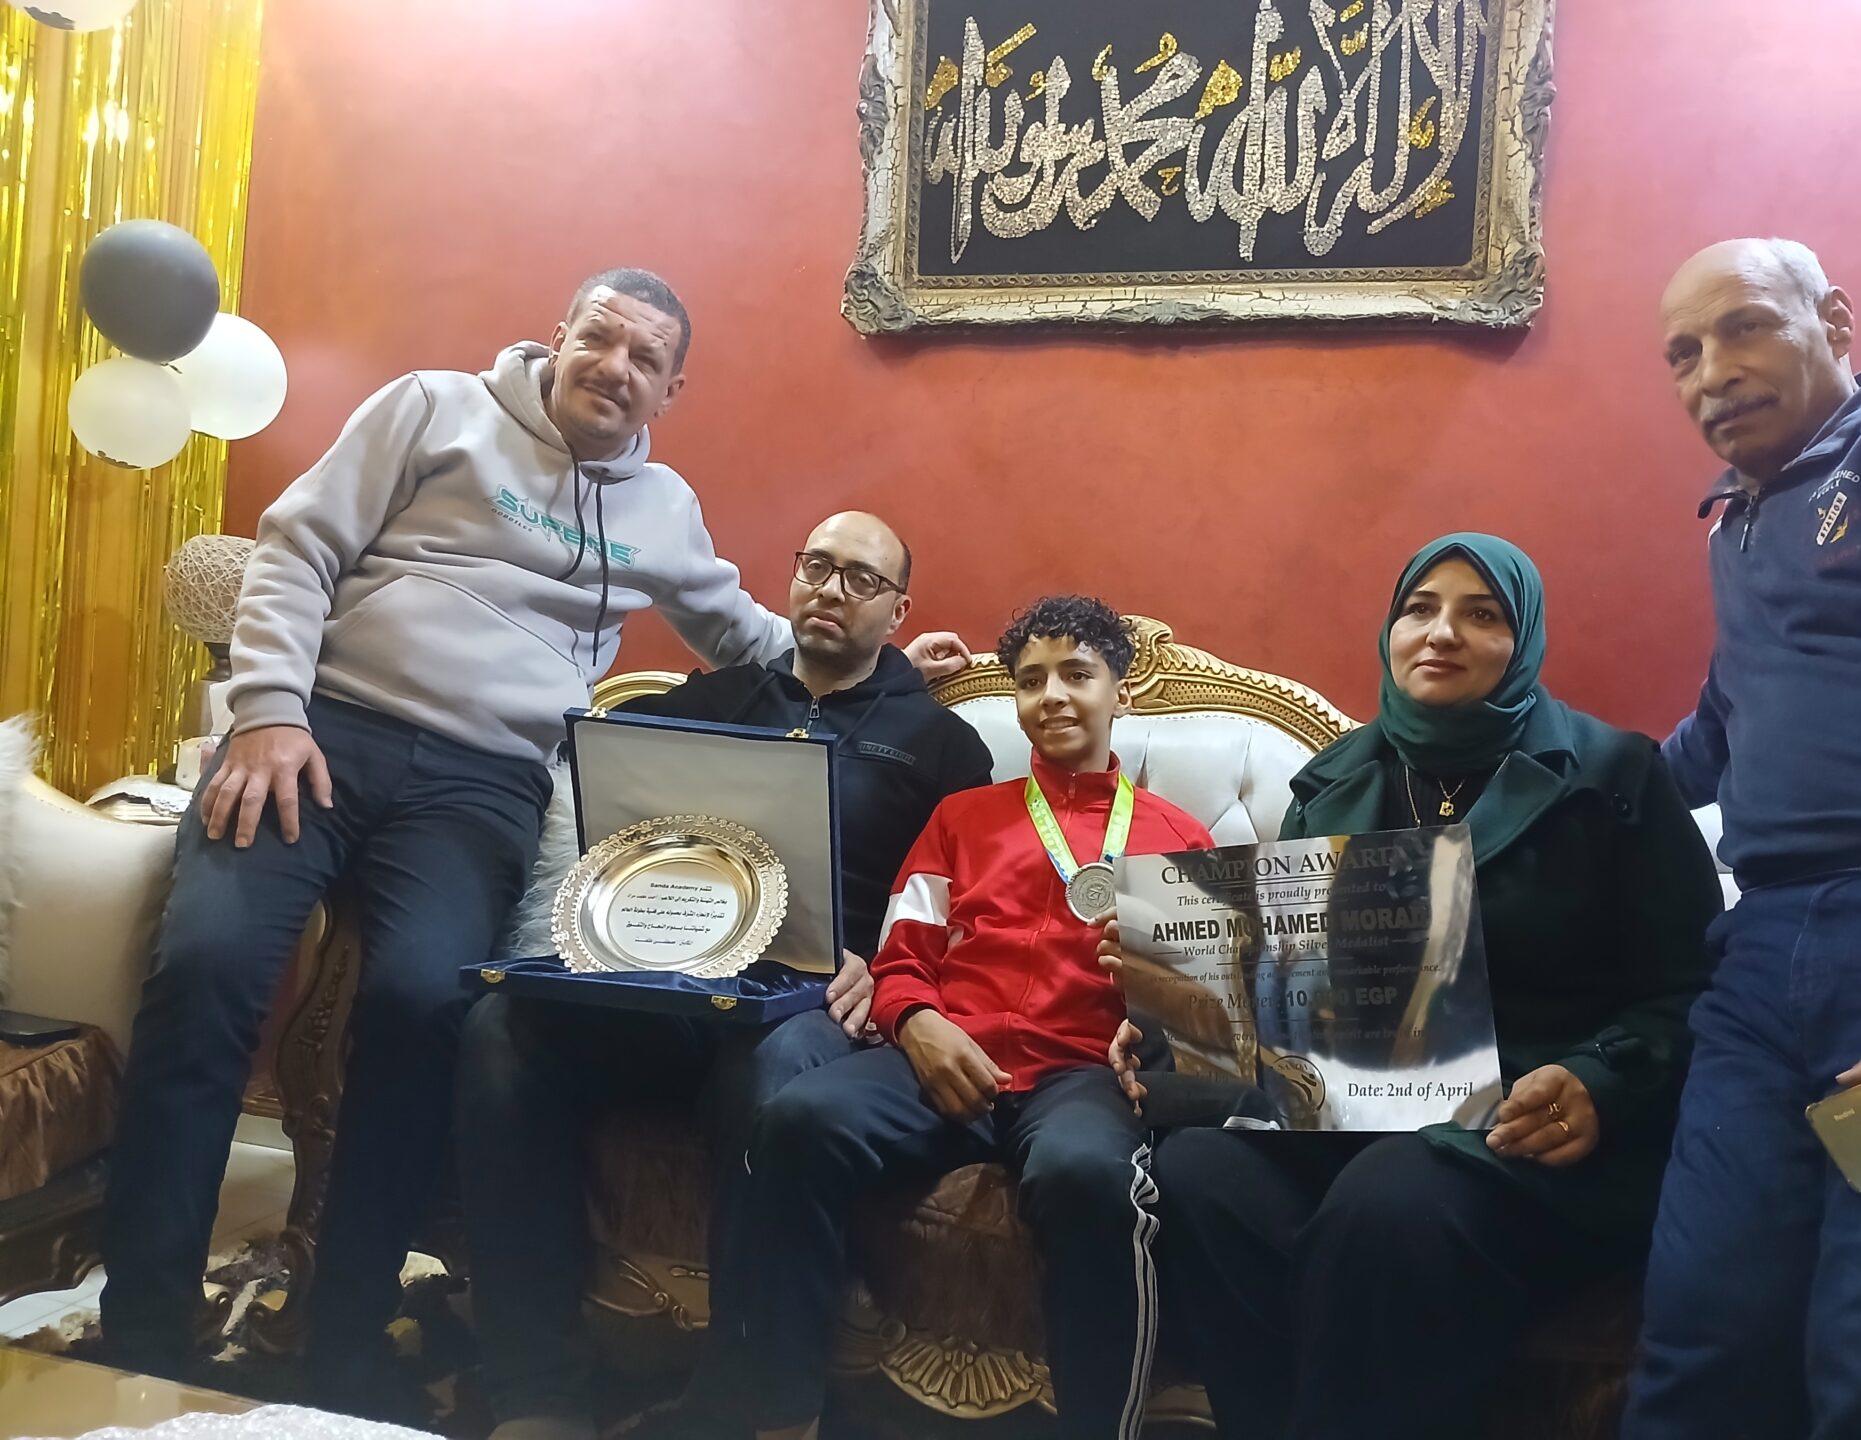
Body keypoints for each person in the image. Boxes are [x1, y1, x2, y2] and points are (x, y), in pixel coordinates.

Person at [97, 269, 965, 1403]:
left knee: (429, 1003)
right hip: (320, 731)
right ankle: (143, 1322)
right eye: (600, 339)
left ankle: (345, 1336)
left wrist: (887, 663)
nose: (616, 368)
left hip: (479, 785)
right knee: (207, 965)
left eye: (646, 359)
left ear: (671, 391)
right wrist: (265, 710)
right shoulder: (431, 407)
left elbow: (749, 634)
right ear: (559, 338)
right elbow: (296, 547)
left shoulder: (661, 510)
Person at [1112, 535, 1721, 1440]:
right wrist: (1179, 1023)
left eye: (1482, 615)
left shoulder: (1614, 777)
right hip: (1360, 1110)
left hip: (1526, 1121)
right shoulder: (1332, 783)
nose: (1441, 633)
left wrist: (1601, 1080)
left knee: (1390, 1203)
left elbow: (1695, 985)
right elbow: (1290, 984)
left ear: (1524, 639)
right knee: (1200, 1173)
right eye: (1420, 608)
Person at [455, 511, 994, 1440]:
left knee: (772, 1080)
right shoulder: (714, 699)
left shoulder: (943, 744)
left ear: (899, 610)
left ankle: (744, 1405)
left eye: (861, 579)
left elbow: (962, 908)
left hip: (821, 1000)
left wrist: (890, 973)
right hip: (673, 981)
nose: (831, 588)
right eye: (816, 565)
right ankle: (535, 1390)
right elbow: (608, 794)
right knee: (502, 1032)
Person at [733, 596, 1215, 1440]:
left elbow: (1209, 1010)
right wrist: (917, 1021)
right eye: (1031, 680)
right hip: (945, 1054)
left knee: (1087, 1175)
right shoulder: (962, 818)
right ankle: (782, 1420)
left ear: (1122, 693)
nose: (1052, 696)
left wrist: (1157, 1029)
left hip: (1081, 1075)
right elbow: (900, 956)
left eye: (1077, 674)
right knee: (796, 1119)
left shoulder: (1183, 841)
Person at [1624, 239, 1861, 1439]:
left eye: (1743, 326)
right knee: (1707, 1321)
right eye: (1682, 354)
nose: (1711, 374)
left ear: (1833, 320)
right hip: (1760, 965)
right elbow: (1721, 727)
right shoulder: (1739, 521)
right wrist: (1563, 793)